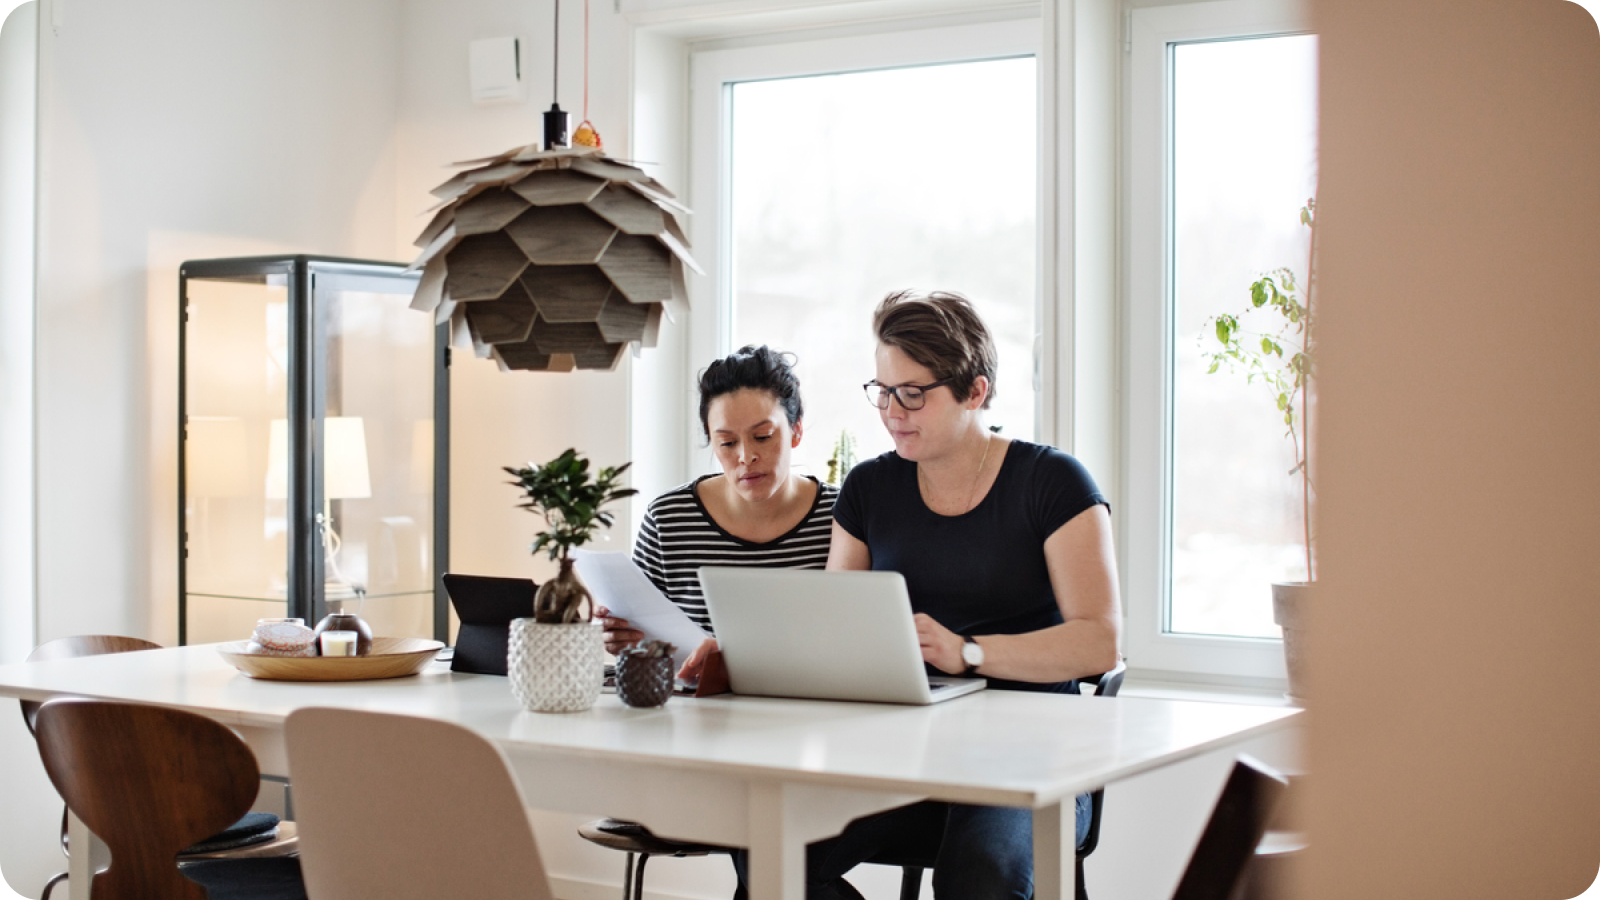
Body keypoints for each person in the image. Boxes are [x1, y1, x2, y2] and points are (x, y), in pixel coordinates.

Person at [818, 289, 1123, 900]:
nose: (891, 410)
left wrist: (969, 653)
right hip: (908, 757)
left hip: (1033, 761)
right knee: (766, 846)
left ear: (974, 391)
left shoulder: (1053, 482)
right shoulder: (869, 487)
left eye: (912, 393)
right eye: (881, 390)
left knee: (981, 874)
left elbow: (1098, 641)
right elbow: (836, 627)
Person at [599, 344, 838, 656]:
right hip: (694, 703)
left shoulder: (841, 514)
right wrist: (626, 638)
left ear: (795, 431)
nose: (745, 457)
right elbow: (645, 642)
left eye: (763, 436)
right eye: (726, 442)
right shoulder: (668, 518)